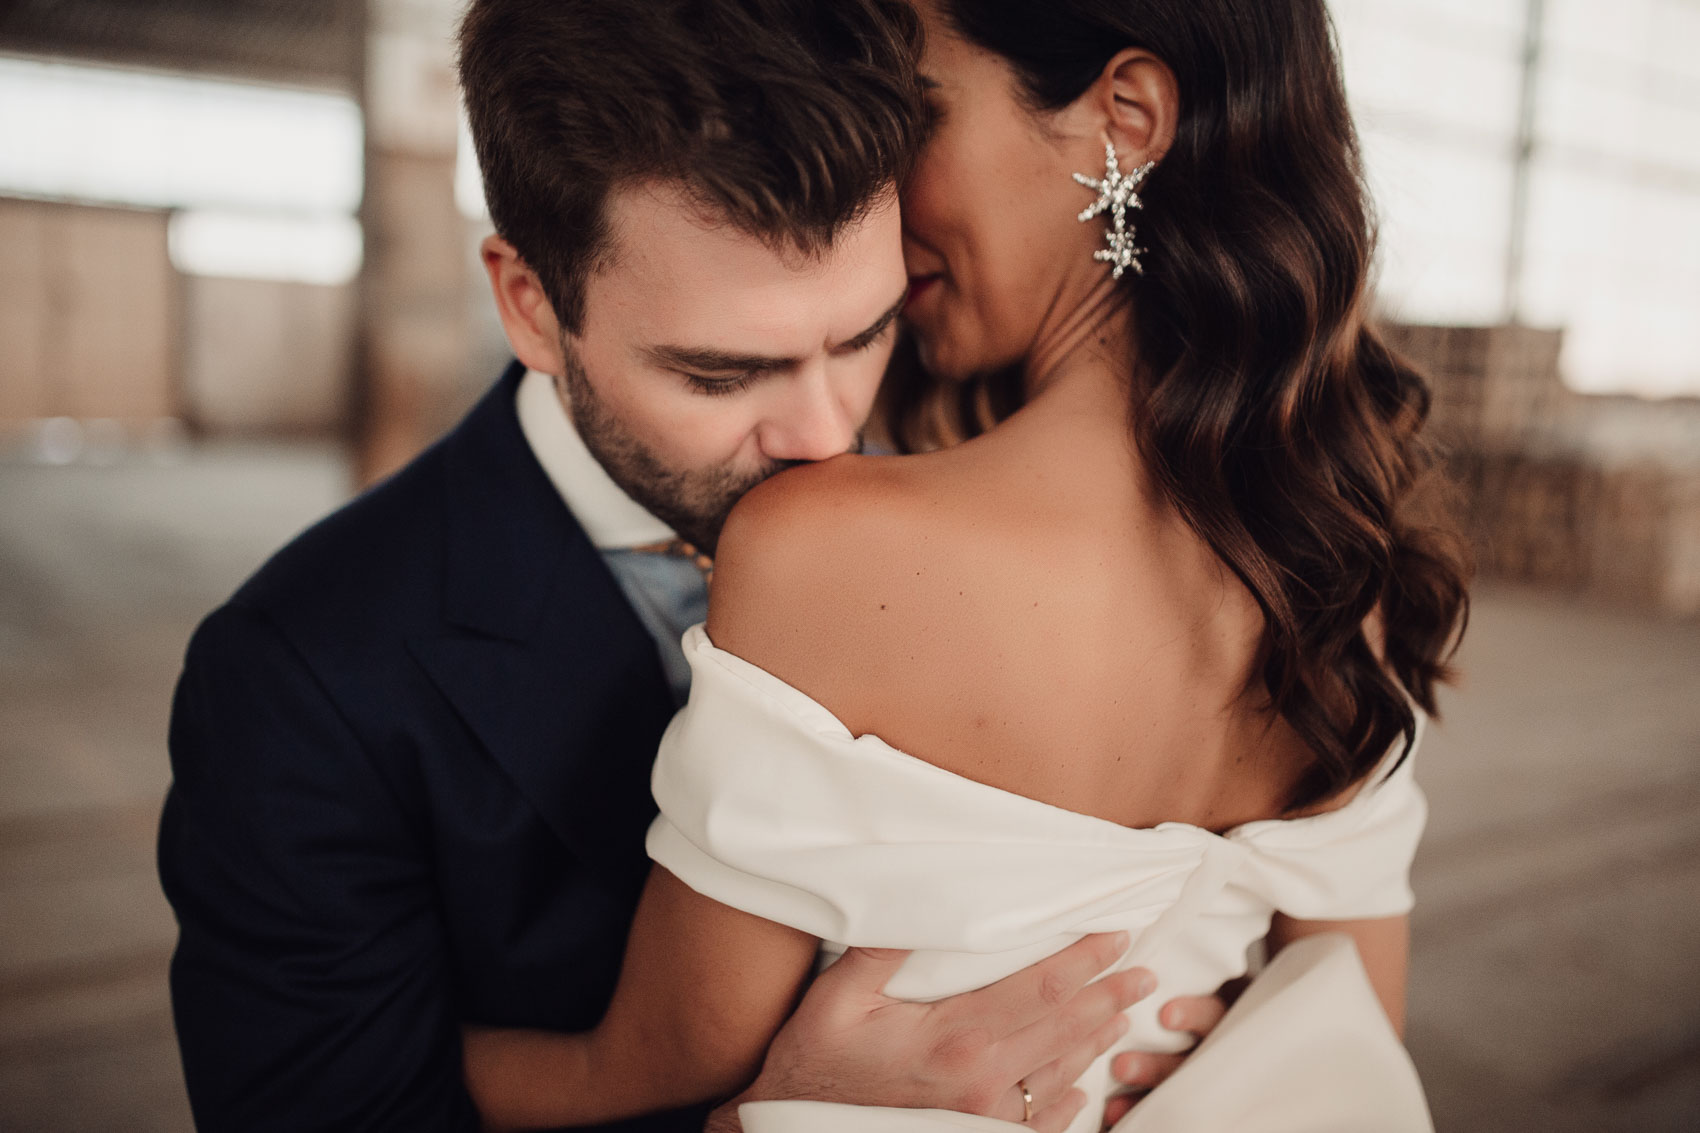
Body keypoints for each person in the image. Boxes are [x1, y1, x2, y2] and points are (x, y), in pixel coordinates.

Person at [157, 1, 1218, 1130]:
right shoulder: (298, 679)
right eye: (720, 375)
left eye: (863, 332)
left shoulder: (976, 463)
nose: (825, 435)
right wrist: (773, 1114)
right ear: (529, 303)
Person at [455, 0, 1472, 1130]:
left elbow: (663, 1058)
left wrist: (396, 1061)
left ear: (1123, 119)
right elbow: (1351, 1030)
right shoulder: (1335, 572)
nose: (873, 176)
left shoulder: (823, 545)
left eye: (916, 110)